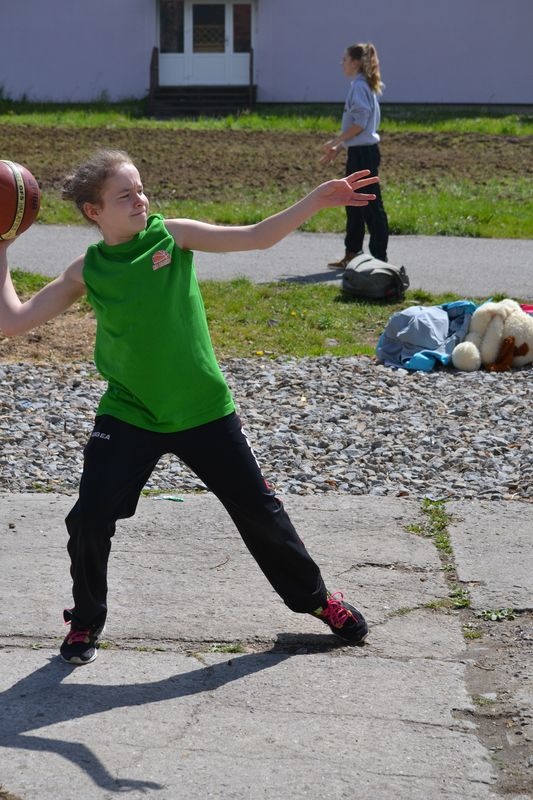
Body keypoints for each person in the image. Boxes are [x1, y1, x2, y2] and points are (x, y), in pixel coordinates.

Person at [0, 150, 378, 665]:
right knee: (89, 518)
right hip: (130, 412)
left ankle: (317, 600)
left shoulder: (171, 237)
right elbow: (13, 321)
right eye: (125, 195)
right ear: (94, 211)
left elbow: (257, 236)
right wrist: (3, 245)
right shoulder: (87, 270)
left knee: (261, 513)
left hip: (203, 409)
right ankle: (86, 620)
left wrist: (315, 200)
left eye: (140, 189)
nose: (140, 200)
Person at [321, 42, 389, 269]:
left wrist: (336, 141)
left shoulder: (359, 87)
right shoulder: (362, 85)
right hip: (360, 152)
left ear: (356, 62)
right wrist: (340, 148)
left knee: (370, 206)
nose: (342, 63)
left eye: (345, 59)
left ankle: (379, 261)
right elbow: (361, 129)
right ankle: (352, 254)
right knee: (353, 204)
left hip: (364, 155)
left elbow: (360, 123)